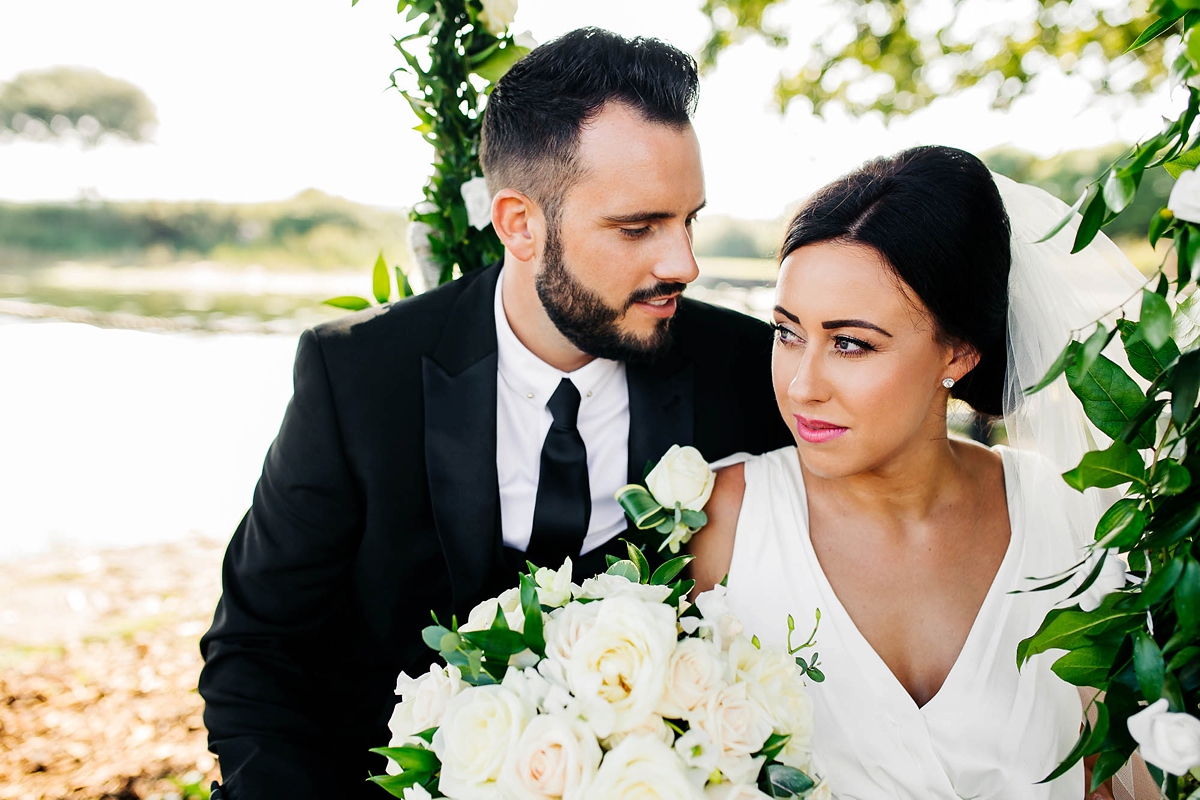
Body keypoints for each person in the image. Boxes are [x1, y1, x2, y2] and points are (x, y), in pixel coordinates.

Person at [197, 27, 792, 800]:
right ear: (519, 224)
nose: (683, 263)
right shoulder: (358, 377)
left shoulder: (750, 372)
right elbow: (257, 649)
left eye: (690, 220)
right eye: (638, 227)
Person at [690, 145, 1153, 799]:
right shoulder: (721, 529)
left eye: (850, 343)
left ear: (958, 351)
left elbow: (1109, 783)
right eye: (789, 332)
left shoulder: (1068, 520)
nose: (802, 386)